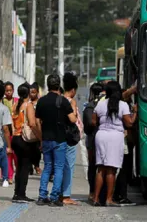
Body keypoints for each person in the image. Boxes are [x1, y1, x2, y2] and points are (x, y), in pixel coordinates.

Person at [91, 81, 138, 207]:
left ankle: (95, 198)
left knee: (101, 168)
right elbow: (129, 123)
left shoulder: (101, 104)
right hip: (115, 137)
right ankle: (109, 199)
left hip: (101, 135)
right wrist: (135, 113)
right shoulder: (122, 105)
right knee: (111, 169)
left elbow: (93, 121)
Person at [35, 74, 77, 207]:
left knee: (47, 167)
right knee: (59, 168)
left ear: (47, 85)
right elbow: (73, 120)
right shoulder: (63, 101)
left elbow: (37, 122)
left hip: (46, 138)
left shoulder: (41, 101)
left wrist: (41, 138)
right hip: (59, 139)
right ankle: (54, 197)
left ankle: (42, 196)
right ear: (59, 85)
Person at [11, 83, 40, 203]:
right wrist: (40, 137)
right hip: (24, 139)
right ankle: (21, 194)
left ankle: (16, 192)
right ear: (28, 93)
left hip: (15, 138)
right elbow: (32, 123)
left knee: (19, 166)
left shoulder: (14, 106)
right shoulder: (28, 106)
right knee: (25, 166)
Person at [61, 72, 83, 205]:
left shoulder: (60, 99)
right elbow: (73, 118)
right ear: (73, 90)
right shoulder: (71, 101)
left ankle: (59, 193)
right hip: (70, 137)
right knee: (69, 166)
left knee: (60, 166)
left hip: (60, 136)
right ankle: (66, 195)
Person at [83, 83, 104, 202]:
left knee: (92, 166)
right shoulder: (105, 105)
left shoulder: (89, 106)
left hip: (91, 139)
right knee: (104, 166)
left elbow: (87, 127)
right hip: (104, 138)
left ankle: (92, 191)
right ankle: (101, 192)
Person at [2, 81, 18, 186]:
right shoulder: (2, 102)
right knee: (7, 155)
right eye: (6, 91)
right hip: (5, 132)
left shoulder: (17, 101)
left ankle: (17, 173)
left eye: (10, 90)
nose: (8, 92)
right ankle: (9, 176)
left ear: (13, 90)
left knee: (16, 155)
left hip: (15, 131)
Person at [29, 82, 41, 176]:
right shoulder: (28, 103)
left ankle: (36, 165)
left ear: (37, 92)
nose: (32, 94)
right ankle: (30, 166)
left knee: (37, 150)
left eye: (34, 92)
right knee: (30, 149)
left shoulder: (40, 102)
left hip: (38, 128)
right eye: (30, 92)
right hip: (29, 129)